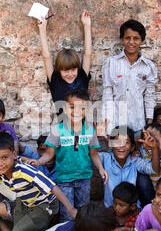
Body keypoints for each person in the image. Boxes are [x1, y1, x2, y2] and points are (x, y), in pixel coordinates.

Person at [28, 89, 108, 222]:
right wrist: (39, 162)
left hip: (84, 178)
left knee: (83, 212)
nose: (76, 111)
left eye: (81, 108)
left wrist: (100, 168)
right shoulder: (57, 130)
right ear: (65, 108)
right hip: (64, 180)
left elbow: (93, 154)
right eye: (72, 107)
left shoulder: (89, 130)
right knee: (66, 214)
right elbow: (49, 154)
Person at [101, 19, 158, 138]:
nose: (131, 42)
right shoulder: (111, 63)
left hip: (139, 125)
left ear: (142, 41)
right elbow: (107, 95)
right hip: (116, 125)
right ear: (122, 39)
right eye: (127, 38)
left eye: (136, 38)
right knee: (118, 154)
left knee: (138, 155)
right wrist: (107, 127)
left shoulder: (148, 66)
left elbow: (149, 95)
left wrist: (149, 122)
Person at [38, 9, 92, 116]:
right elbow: (46, 57)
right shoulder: (55, 80)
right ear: (59, 70)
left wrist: (87, 26)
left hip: (84, 127)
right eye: (65, 70)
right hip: (64, 128)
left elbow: (87, 54)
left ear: (78, 68)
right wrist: (42, 29)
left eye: (73, 69)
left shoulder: (82, 77)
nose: (70, 74)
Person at [98, 126, 155, 208]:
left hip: (132, 211)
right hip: (111, 210)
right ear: (110, 145)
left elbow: (153, 169)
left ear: (132, 147)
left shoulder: (135, 161)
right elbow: (86, 156)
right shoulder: (105, 158)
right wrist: (92, 135)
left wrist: (154, 149)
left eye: (126, 142)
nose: (121, 145)